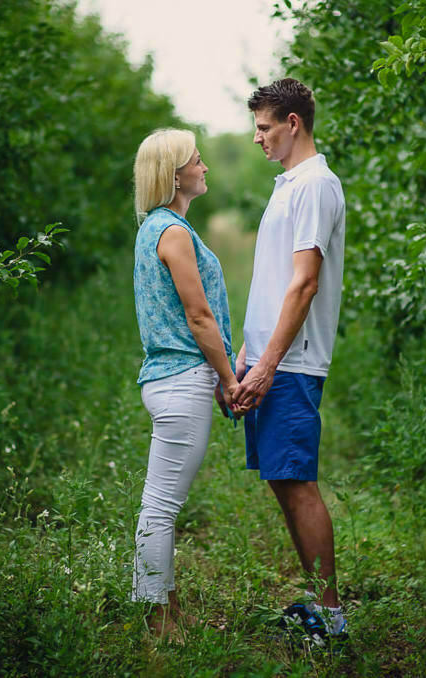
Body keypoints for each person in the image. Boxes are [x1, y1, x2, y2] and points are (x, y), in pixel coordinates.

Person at [233, 78, 348, 646]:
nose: (257, 138)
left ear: (293, 123)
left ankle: (332, 618)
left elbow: (304, 284)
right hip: (268, 359)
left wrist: (269, 365)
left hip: (292, 364)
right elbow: (273, 279)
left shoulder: (317, 186)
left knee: (298, 484)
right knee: (283, 481)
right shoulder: (287, 185)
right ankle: (318, 608)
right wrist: (246, 355)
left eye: (264, 127)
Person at [130, 128, 243, 640]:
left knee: (162, 505)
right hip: (182, 379)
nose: (204, 166)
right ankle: (157, 622)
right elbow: (198, 317)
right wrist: (228, 378)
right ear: (175, 175)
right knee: (160, 507)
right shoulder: (172, 232)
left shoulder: (156, 227)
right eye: (197, 160)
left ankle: (169, 608)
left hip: (168, 378)